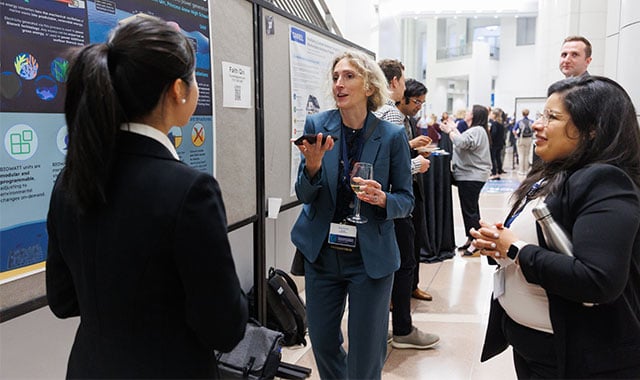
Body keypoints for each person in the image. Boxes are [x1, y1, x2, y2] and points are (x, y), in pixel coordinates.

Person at [45, 16, 248, 378]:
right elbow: (225, 328)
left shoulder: (69, 180)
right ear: (177, 90)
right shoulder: (190, 191)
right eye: (194, 78)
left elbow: (62, 300)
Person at [472, 76, 640, 378]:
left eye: (552, 117)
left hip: (578, 360)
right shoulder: (557, 173)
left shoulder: (605, 181)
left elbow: (598, 279)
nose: (538, 124)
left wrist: (515, 248)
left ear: (591, 130)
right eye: (541, 114)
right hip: (537, 351)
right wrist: (499, 245)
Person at [290, 50, 414, 379]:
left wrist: (383, 198)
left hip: (369, 256)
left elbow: (406, 200)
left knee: (366, 348)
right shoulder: (318, 125)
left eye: (348, 76)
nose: (339, 84)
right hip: (323, 252)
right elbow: (304, 194)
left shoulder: (391, 135)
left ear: (370, 86)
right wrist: (313, 168)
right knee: (322, 339)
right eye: (335, 78)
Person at [374, 63, 439, 350]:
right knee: (403, 263)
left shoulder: (368, 111)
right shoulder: (389, 112)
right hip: (392, 200)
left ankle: (381, 327)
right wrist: (416, 162)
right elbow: (390, 167)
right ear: (397, 82)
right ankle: (402, 328)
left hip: (377, 201)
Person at [396, 79, 438, 303]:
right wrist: (411, 146)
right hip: (397, 189)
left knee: (415, 240)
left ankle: (413, 285)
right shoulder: (390, 118)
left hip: (413, 185)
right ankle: (396, 293)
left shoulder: (409, 121)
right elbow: (390, 154)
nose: (419, 106)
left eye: (422, 103)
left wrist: (419, 151)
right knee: (401, 244)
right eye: (416, 101)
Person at [440, 105, 492, 256]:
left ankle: (476, 243)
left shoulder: (476, 130)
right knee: (471, 209)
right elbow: (463, 140)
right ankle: (472, 238)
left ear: (475, 115)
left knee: (470, 211)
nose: (467, 112)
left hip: (471, 176)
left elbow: (461, 142)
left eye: (470, 111)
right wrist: (453, 129)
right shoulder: (477, 130)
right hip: (470, 175)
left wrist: (450, 131)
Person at [513, 109, 534, 175]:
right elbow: (534, 130)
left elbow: (514, 130)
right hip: (529, 139)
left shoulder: (519, 122)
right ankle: (526, 170)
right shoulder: (531, 121)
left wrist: (516, 136)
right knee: (527, 154)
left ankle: (521, 170)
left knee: (521, 155)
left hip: (521, 139)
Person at [489, 108, 506, 179]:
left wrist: (490, 135)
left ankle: (494, 173)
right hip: (500, 143)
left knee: (493, 158)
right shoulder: (501, 124)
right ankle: (499, 170)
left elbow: (494, 133)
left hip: (494, 144)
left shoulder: (494, 123)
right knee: (498, 157)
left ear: (494, 115)